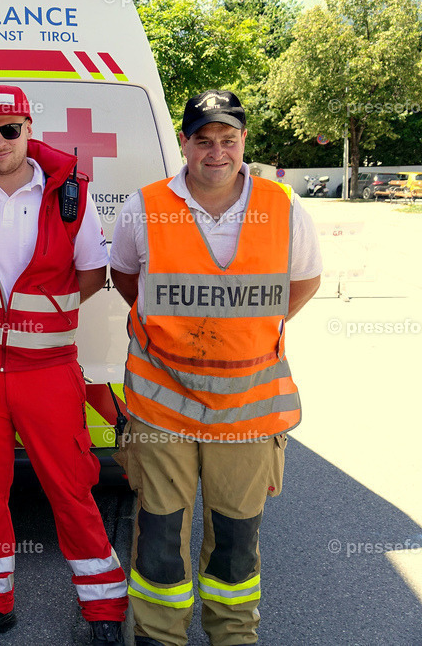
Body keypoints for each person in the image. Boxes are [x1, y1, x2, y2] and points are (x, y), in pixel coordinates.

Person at [109, 90, 322, 646]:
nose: (217, 152)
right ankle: (160, 637)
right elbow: (128, 281)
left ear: (243, 142)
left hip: (248, 414)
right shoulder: (146, 205)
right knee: (158, 538)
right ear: (185, 143)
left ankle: (232, 636)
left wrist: (246, 333)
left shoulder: (283, 205)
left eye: (228, 139)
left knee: (235, 538)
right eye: (203, 140)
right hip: (162, 409)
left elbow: (303, 283)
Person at [0, 85, 128, 646]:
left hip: (47, 371)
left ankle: (104, 609)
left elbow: (92, 272)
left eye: (9, 129)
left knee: (71, 487)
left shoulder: (67, 192)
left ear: (28, 128)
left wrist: (40, 318)